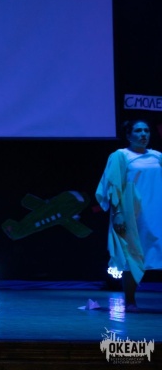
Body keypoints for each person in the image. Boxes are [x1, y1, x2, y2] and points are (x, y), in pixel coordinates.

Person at [96, 119, 162, 312]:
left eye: (146, 130)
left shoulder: (157, 156)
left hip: (156, 211)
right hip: (132, 213)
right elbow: (113, 185)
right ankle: (130, 301)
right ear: (128, 135)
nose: (143, 134)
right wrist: (117, 213)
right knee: (131, 255)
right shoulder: (121, 156)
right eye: (138, 130)